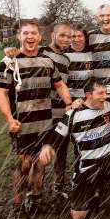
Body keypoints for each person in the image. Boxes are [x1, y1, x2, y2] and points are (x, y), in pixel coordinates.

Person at [39, 78, 110, 219]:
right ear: (88, 95)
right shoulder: (73, 115)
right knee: (78, 217)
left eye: (106, 92)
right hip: (86, 167)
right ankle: (95, 191)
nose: (105, 96)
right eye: (100, 93)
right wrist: (48, 146)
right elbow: (56, 135)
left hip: (109, 159)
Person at [0, 20, 72, 219]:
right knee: (24, 165)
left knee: (40, 164)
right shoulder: (9, 62)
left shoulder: (47, 61)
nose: (30, 37)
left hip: (44, 123)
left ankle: (36, 200)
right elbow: (1, 94)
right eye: (26, 33)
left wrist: (68, 102)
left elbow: (59, 84)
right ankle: (18, 205)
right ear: (19, 37)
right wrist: (9, 119)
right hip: (22, 125)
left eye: (34, 33)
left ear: (40, 37)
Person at [41, 23, 72, 205]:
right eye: (62, 35)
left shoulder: (67, 59)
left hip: (62, 112)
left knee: (61, 151)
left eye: (69, 36)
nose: (66, 39)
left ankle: (57, 187)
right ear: (53, 35)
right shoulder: (41, 52)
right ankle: (33, 192)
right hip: (43, 112)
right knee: (41, 153)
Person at [64, 24, 93, 101]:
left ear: (85, 37)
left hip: (89, 97)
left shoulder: (92, 52)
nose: (76, 39)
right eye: (73, 36)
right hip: (69, 98)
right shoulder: (63, 54)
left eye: (80, 36)